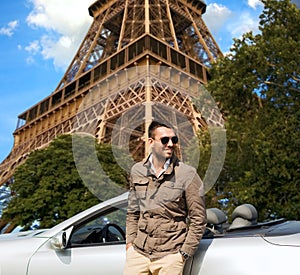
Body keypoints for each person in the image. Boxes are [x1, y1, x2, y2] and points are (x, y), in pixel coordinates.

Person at [123, 121, 206, 275]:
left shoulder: (187, 174)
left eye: (174, 140)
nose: (170, 144)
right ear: (150, 142)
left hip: (170, 255)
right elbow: (132, 212)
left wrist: (183, 254)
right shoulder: (137, 171)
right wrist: (130, 244)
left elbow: (198, 218)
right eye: (164, 140)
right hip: (139, 253)